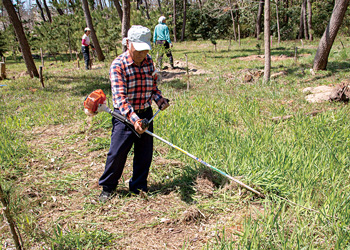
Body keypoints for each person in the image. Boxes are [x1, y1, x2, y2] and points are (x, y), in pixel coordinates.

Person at [98, 25, 170, 203]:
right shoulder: (118, 65)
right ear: (128, 44)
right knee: (117, 153)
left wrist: (159, 100)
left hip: (145, 112)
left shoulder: (149, 61)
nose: (142, 54)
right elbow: (120, 98)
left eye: (145, 50)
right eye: (138, 50)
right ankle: (108, 187)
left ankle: (138, 186)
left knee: (144, 153)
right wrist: (134, 120)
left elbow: (153, 87)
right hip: (124, 116)